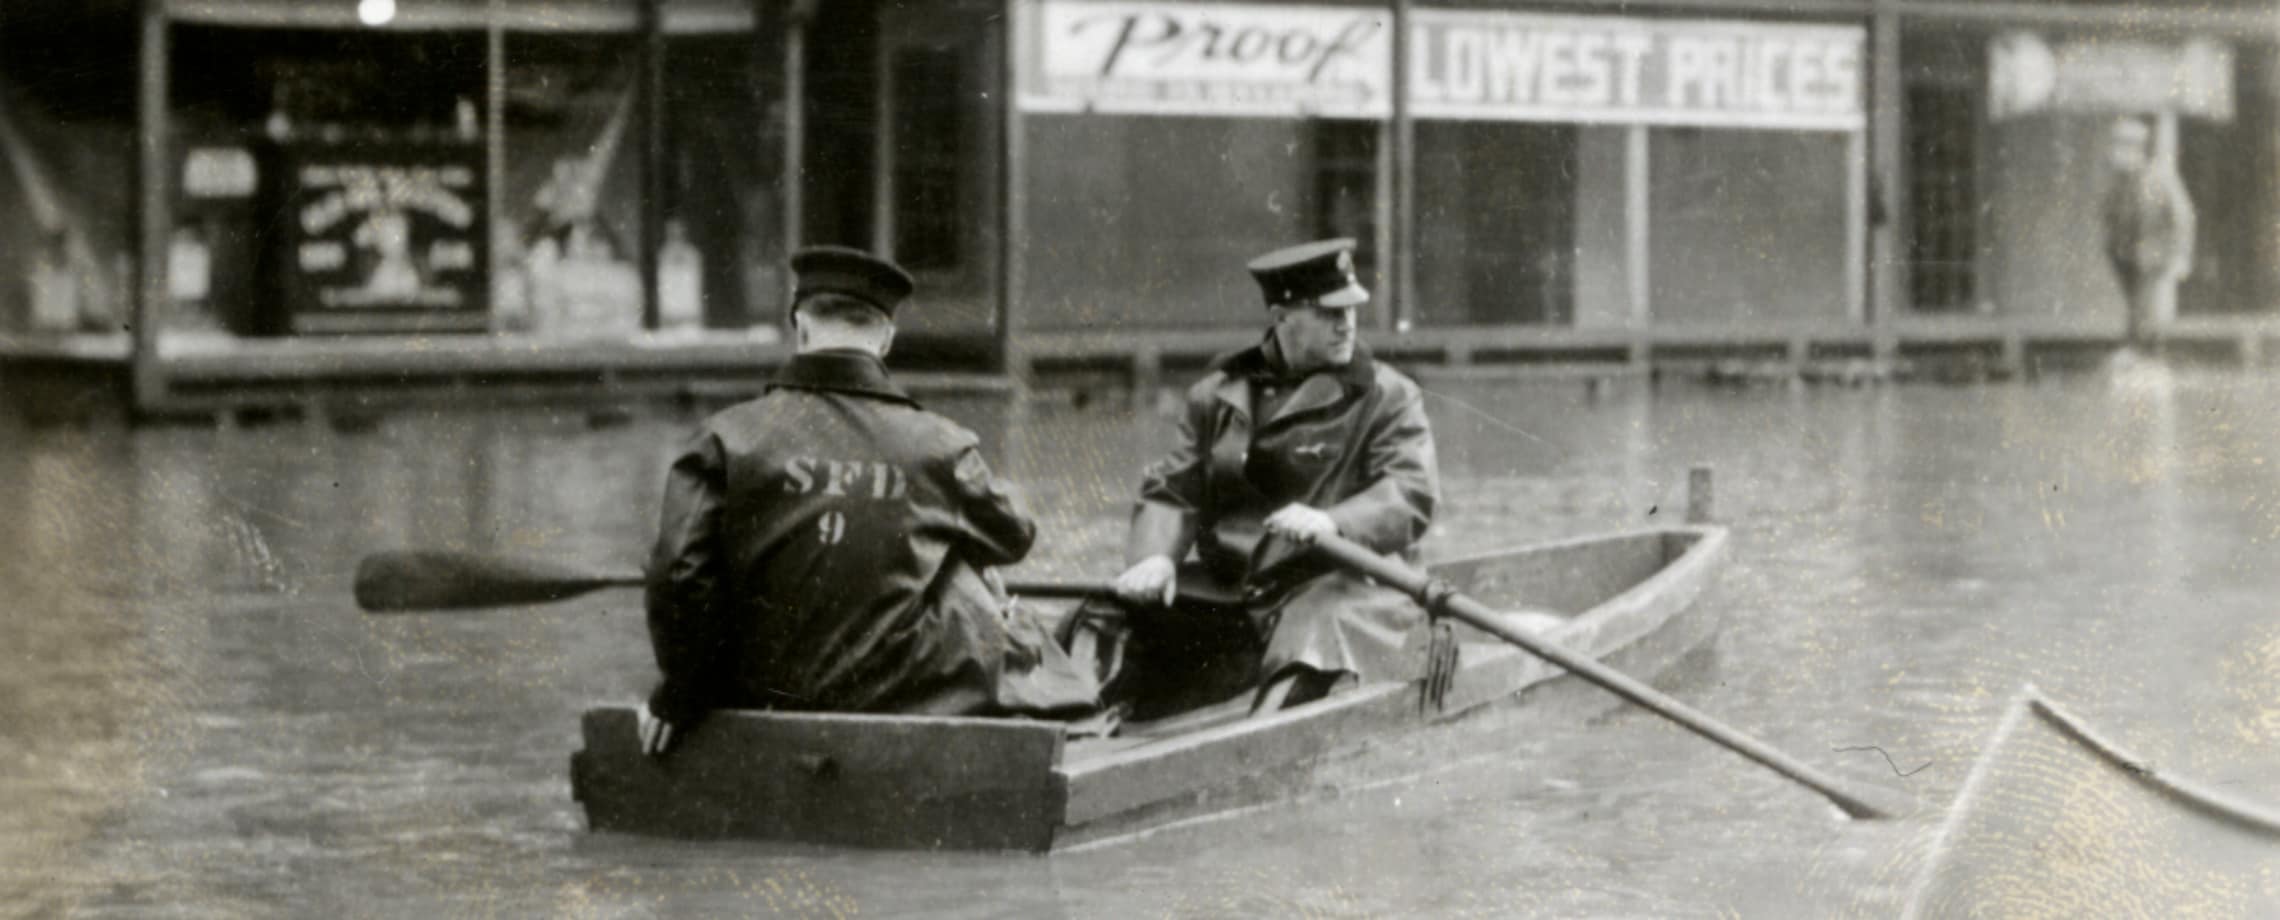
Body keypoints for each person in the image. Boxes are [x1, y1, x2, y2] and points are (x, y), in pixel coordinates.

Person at [635, 246, 1098, 756]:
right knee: (965, 564)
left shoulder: (724, 437)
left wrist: (679, 693)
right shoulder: (939, 447)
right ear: (886, 340)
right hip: (901, 697)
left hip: (759, 695)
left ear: (800, 328)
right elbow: (1014, 535)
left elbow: (677, 572)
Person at [1080, 238, 1440, 718]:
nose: (1346, 323)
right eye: (1327, 312)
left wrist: (1332, 522)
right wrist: (1155, 558)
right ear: (1282, 314)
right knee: (1105, 613)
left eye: (1351, 309)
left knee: (1314, 632)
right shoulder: (1217, 393)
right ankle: (1069, 730)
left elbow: (1410, 492)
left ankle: (1252, 747)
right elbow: (1172, 490)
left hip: (1344, 590)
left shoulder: (1389, 395)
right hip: (1236, 594)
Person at [2101, 116, 2196, 350]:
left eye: (2124, 146)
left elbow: (2183, 217)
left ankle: (2146, 353)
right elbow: (2107, 214)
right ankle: (2140, 351)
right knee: (2136, 308)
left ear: (2139, 149)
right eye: (2116, 145)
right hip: (2125, 256)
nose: (2117, 153)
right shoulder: (2117, 182)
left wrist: (2181, 256)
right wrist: (2111, 244)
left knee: (2145, 310)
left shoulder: (2159, 178)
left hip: (2153, 254)